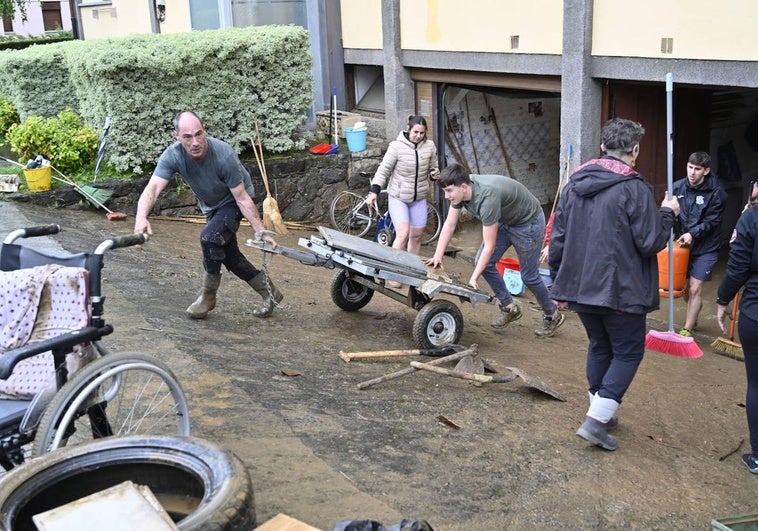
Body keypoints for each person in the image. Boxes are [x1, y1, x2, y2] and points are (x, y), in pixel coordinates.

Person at [548, 118, 679, 451]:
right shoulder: (633, 188)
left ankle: (601, 410)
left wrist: (558, 279)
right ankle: (595, 422)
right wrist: (667, 214)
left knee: (600, 346)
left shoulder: (573, 185)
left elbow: (558, 238)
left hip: (579, 286)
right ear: (634, 150)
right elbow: (650, 242)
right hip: (621, 289)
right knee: (628, 351)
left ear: (603, 147)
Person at [134, 111, 283, 320]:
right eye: (187, 137)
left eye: (199, 134)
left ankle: (208, 296)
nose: (195, 142)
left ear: (204, 130)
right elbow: (153, 188)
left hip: (232, 201)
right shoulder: (173, 155)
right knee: (229, 256)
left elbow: (241, 197)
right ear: (176, 136)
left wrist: (261, 231)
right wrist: (141, 217)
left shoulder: (223, 154)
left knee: (210, 238)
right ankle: (269, 292)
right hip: (212, 207)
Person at [424, 163, 564, 338]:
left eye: (449, 191)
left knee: (529, 276)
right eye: (445, 191)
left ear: (464, 187)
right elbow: (450, 224)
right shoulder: (460, 193)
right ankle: (509, 307)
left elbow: (489, 246)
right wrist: (438, 256)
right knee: (483, 263)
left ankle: (552, 314)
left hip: (528, 223)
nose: (446, 196)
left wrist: (474, 277)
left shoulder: (486, 198)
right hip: (505, 219)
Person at [716, 202, 758, 473]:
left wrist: (723, 298)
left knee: (757, 384)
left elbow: (738, 266)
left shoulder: (751, 218)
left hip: (756, 313)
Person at [366, 115, 439, 256]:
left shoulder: (429, 146)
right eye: (415, 132)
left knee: (416, 236)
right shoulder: (396, 147)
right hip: (398, 197)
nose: (418, 136)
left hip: (419, 198)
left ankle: (410, 269)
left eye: (422, 133)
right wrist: (374, 191)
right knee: (403, 234)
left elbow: (433, 167)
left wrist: (433, 175)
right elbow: (384, 170)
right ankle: (392, 272)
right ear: (408, 129)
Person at [672, 152, 727, 337]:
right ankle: (694, 310)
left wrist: (692, 234)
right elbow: (670, 213)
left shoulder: (717, 193)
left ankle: (687, 329)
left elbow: (712, 221)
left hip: (707, 246)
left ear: (706, 171)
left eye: (697, 169)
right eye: (690, 167)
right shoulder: (677, 187)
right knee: (685, 290)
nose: (692, 173)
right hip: (684, 246)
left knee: (696, 288)